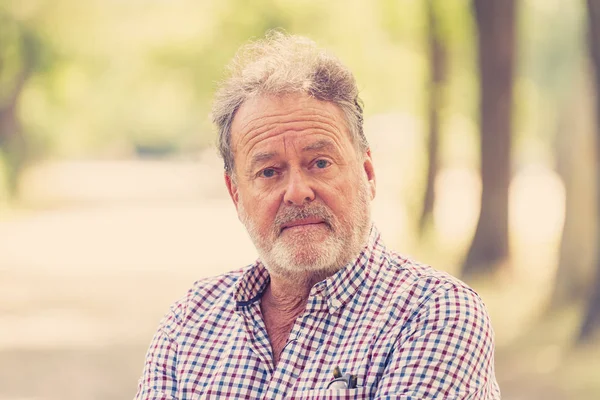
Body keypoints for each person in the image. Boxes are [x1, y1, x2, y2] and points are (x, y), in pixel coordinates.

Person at [134, 32, 501, 400]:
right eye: (268, 171)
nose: (297, 192)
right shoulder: (190, 321)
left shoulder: (435, 314)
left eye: (320, 163)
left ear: (367, 173)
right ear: (236, 195)